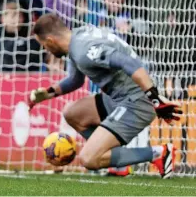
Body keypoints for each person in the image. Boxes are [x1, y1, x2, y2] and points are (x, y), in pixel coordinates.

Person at [28, 13, 182, 179]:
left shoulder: (83, 49)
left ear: (51, 41)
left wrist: (155, 98)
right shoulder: (77, 39)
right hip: (118, 98)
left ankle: (158, 153)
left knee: (89, 159)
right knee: (71, 113)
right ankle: (118, 162)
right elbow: (75, 79)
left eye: (44, 45)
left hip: (135, 102)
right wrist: (48, 93)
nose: (45, 49)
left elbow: (127, 62)